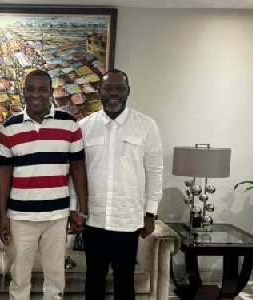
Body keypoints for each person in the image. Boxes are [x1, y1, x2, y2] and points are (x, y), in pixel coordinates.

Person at [70, 69, 163, 300]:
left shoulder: (146, 126)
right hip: (94, 219)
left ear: (128, 91)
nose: (114, 93)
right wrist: (75, 209)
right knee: (94, 280)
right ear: (99, 92)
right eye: (108, 88)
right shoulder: (84, 127)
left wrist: (150, 213)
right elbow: (75, 172)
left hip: (128, 220)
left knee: (124, 280)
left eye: (119, 88)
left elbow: (154, 170)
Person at [0, 69, 88, 300]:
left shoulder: (69, 124)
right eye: (30, 89)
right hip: (20, 216)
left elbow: (78, 168)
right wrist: (2, 216)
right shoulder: (10, 127)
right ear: (24, 91)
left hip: (57, 215)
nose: (35, 94)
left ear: (51, 93)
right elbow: (4, 173)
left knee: (56, 278)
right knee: (19, 278)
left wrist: (81, 211)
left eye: (42, 89)